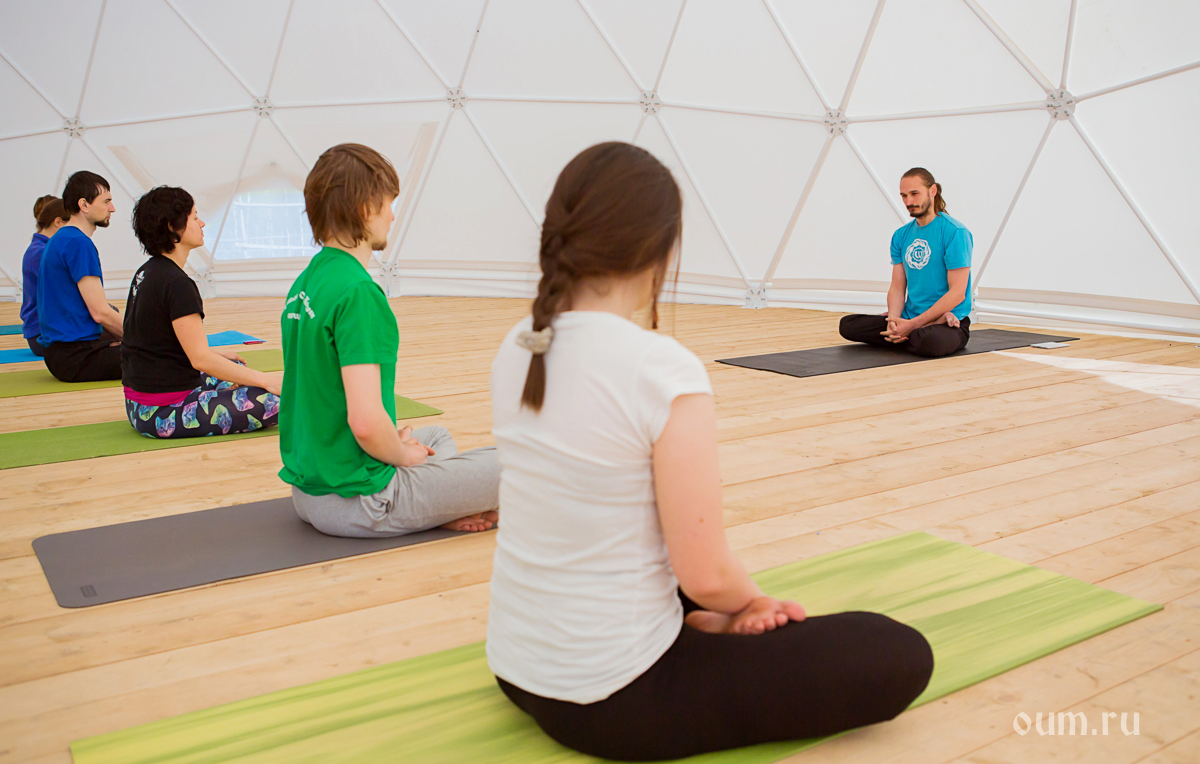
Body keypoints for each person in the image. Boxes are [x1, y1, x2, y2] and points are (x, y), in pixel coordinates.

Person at [486, 142, 934, 761]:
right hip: (608, 699)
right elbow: (704, 573)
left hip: (515, 667)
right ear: (659, 249)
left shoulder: (520, 344)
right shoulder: (659, 368)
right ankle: (705, 626)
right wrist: (751, 604)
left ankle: (700, 623)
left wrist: (716, 607)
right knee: (895, 651)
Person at [281, 143, 500, 538]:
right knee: (519, 462)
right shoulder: (358, 293)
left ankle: (438, 507)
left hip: (308, 492)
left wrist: (397, 448)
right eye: (387, 205)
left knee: (435, 437)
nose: (392, 216)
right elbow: (365, 423)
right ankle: (433, 506)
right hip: (363, 500)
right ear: (365, 208)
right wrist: (399, 455)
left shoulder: (307, 282)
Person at [121, 186, 282, 438]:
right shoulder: (177, 284)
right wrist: (265, 380)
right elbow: (200, 360)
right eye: (195, 217)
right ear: (173, 227)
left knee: (231, 365)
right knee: (277, 399)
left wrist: (215, 355)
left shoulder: (146, 272)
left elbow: (158, 343)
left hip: (136, 406)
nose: (202, 223)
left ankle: (229, 391)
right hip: (162, 413)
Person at [839, 167, 974, 358]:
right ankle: (904, 334)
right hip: (909, 318)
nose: (909, 202)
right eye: (904, 196)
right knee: (847, 325)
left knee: (928, 341)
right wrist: (893, 321)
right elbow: (897, 287)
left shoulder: (955, 232)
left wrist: (915, 324)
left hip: (951, 324)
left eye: (914, 194)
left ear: (933, 191)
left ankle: (922, 328)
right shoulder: (901, 235)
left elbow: (957, 293)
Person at [36, 171, 124, 381]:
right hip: (75, 357)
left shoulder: (62, 238)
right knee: (163, 355)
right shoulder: (78, 243)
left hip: (63, 353)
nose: (112, 208)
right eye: (106, 201)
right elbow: (100, 313)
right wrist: (146, 340)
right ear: (84, 205)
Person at [20, 195, 70, 356]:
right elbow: (63, 294)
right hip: (42, 334)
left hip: (45, 330)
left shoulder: (42, 249)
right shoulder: (40, 253)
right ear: (57, 221)